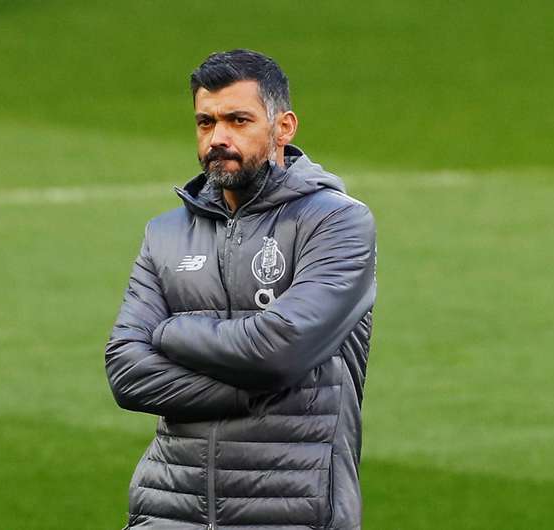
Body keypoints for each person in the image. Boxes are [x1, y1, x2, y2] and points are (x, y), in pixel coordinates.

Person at [105, 49, 377, 530]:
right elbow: (126, 372)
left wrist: (171, 333)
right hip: (168, 512)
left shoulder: (336, 222)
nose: (218, 138)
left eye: (238, 120)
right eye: (206, 123)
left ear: (284, 127)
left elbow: (279, 352)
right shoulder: (166, 233)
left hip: (290, 514)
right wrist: (256, 391)